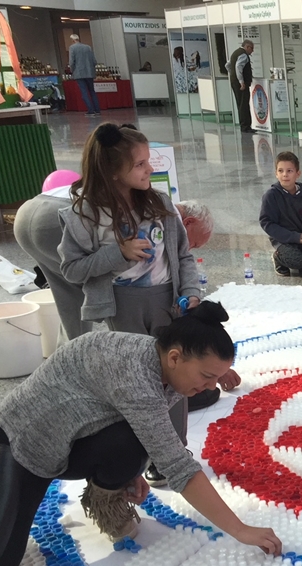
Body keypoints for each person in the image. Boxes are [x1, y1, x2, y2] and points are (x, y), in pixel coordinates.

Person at [0, 301, 283, 566]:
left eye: (217, 378)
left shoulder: (164, 366)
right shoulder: (134, 375)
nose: (211, 386)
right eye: (207, 376)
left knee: (133, 444)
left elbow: (133, 422)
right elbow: (177, 466)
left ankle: (104, 500)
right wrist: (239, 529)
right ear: (175, 357)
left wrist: (127, 472)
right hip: (20, 445)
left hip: (70, 437)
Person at [57, 123, 206, 486]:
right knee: (135, 384)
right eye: (140, 164)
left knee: (175, 376)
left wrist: (191, 291)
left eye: (147, 161)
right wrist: (117, 254)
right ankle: (142, 454)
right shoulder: (85, 215)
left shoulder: (160, 204)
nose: (149, 169)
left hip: (166, 303)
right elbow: (72, 269)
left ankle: (173, 452)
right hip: (120, 307)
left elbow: (182, 255)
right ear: (112, 171)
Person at [15, 189, 213, 343]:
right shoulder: (161, 212)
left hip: (27, 213)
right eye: (194, 243)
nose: (190, 248)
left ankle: (69, 359)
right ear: (188, 222)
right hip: (58, 215)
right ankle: (78, 358)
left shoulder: (151, 203)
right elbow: (80, 269)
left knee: (68, 294)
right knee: (89, 284)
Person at [259, 151, 302, 279]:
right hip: (283, 240)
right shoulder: (271, 196)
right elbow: (267, 223)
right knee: (296, 260)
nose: (285, 174)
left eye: (289, 171)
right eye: (281, 171)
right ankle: (278, 258)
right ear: (276, 173)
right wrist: (295, 237)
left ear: (298, 173)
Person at [68, 34, 100, 116]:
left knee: (84, 92)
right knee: (92, 91)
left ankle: (90, 110)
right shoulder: (88, 47)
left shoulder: (72, 48)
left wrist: (72, 71)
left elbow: (71, 62)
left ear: (72, 40)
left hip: (79, 73)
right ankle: (97, 110)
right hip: (90, 73)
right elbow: (94, 61)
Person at [229, 39, 255, 134]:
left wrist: (232, 74)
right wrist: (241, 81)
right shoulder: (243, 55)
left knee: (240, 104)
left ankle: (243, 125)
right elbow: (238, 66)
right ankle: (246, 126)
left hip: (234, 82)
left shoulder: (235, 53)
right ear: (247, 47)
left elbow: (228, 65)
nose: (252, 51)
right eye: (252, 48)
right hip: (240, 84)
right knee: (244, 105)